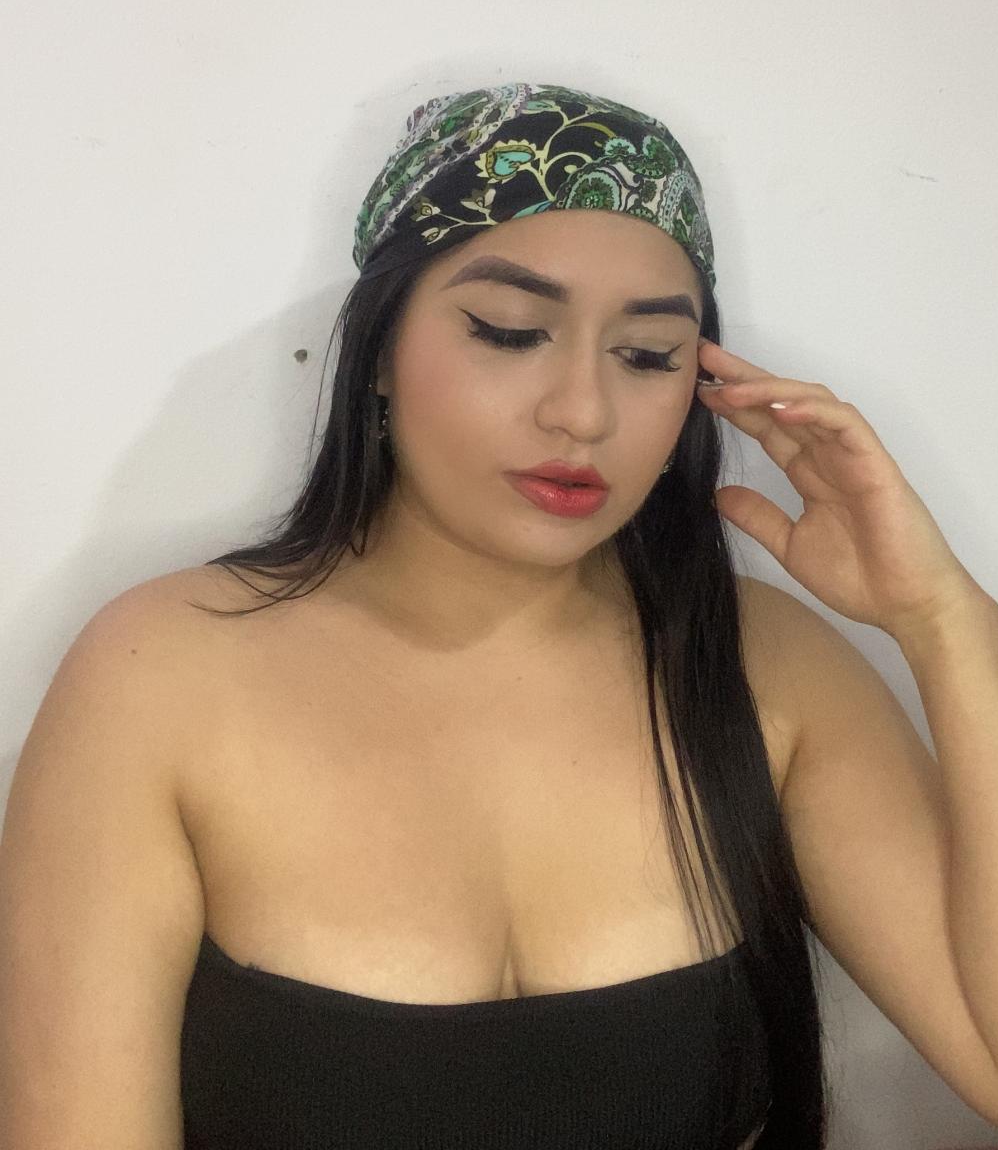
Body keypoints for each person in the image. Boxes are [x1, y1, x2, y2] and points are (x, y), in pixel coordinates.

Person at [0, 85, 827, 1147]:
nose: (582, 412)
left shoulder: (758, 658)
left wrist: (939, 616)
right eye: (510, 332)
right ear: (382, 349)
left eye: (647, 355)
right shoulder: (157, 673)